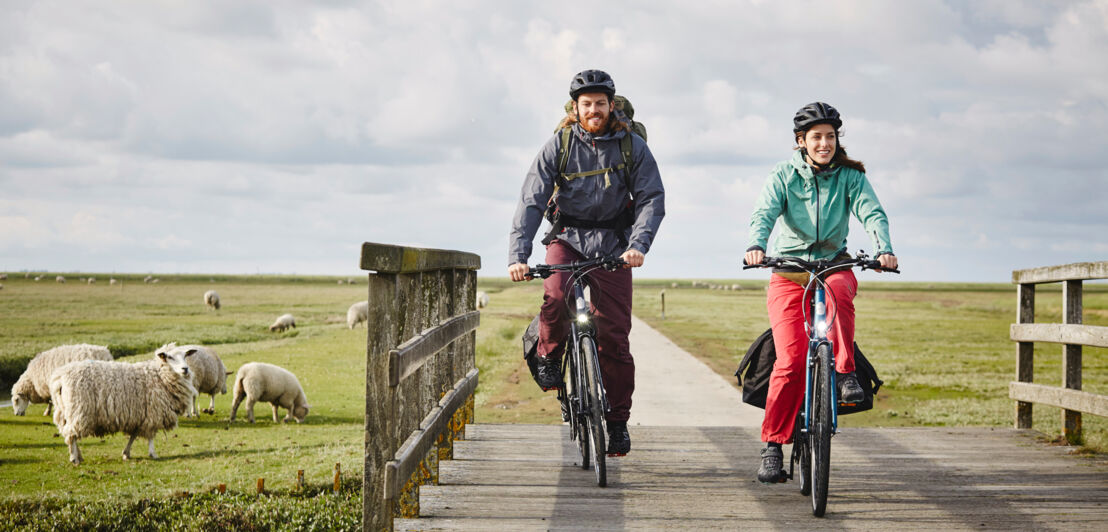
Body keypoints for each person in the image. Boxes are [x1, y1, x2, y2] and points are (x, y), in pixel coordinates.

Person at [508, 69, 665, 456]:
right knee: (556, 295)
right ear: (575, 108)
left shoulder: (632, 146)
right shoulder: (559, 144)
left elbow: (651, 199)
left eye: (600, 103)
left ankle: (617, 423)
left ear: (611, 106)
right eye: (586, 104)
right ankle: (549, 352)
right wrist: (518, 255)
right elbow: (532, 198)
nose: (594, 110)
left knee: (614, 337)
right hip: (567, 238)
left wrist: (638, 245)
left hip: (614, 246)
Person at [744, 102, 898, 483]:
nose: (824, 143)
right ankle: (773, 446)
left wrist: (884, 248)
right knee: (791, 362)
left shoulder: (850, 176)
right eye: (816, 137)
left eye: (830, 137)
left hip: (833, 265)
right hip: (789, 272)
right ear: (801, 142)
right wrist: (756, 245)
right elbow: (764, 213)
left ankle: (845, 374)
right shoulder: (783, 175)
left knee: (842, 291)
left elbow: (872, 212)